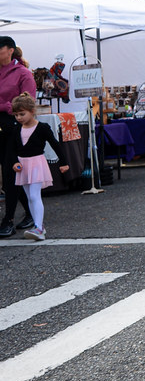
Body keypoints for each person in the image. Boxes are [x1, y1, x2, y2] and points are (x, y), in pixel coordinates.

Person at [8, 93, 69, 241]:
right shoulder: (17, 129)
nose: (19, 118)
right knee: (29, 197)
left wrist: (64, 162)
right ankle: (38, 225)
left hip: (36, 164)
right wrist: (14, 162)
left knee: (35, 195)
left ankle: (39, 228)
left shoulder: (42, 128)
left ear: (32, 111)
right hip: (23, 165)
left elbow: (55, 144)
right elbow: (12, 149)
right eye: (16, 115)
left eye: (22, 114)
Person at [0, 36, 37, 238]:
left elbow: (27, 104)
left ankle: (8, 221)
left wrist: (6, 107)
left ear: (10, 50)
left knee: (9, 174)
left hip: (12, 128)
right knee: (8, 175)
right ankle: (31, 213)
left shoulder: (23, 74)